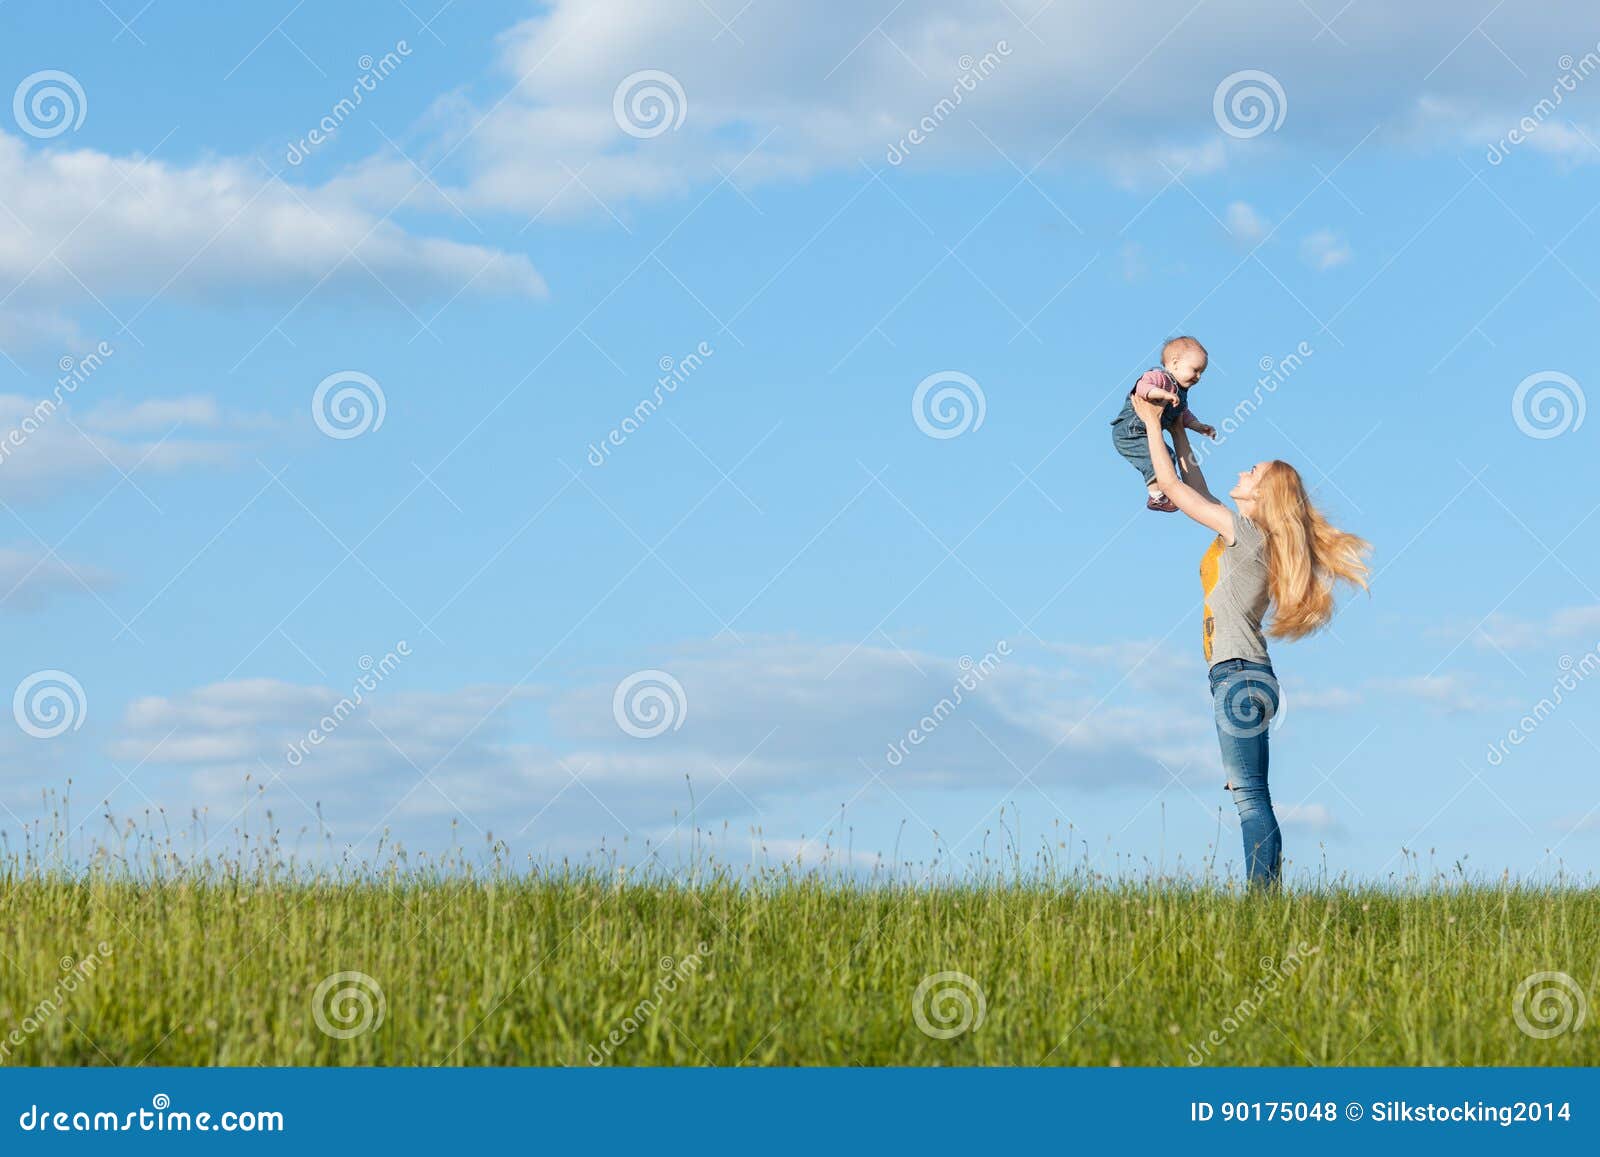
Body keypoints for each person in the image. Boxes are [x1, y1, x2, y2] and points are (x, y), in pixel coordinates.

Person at [1130, 391, 1371, 889]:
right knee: (1253, 794)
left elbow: (1174, 488)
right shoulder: (1244, 534)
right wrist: (1178, 432)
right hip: (1247, 677)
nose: (1242, 473)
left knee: (1251, 799)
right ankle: (1268, 897)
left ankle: (1262, 903)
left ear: (1264, 496)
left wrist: (1151, 424)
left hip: (1238, 676)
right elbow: (1196, 489)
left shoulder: (1246, 534)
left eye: (1252, 471)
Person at [1110, 336, 1218, 512]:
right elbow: (1142, 388)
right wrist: (1163, 394)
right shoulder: (1159, 377)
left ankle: (1159, 494)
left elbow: (1183, 413)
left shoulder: (1181, 392)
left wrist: (1197, 426)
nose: (1198, 377)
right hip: (1130, 431)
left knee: (1167, 456)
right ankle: (1157, 496)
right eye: (1195, 370)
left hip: (1144, 431)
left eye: (1201, 373)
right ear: (1175, 363)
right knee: (1160, 458)